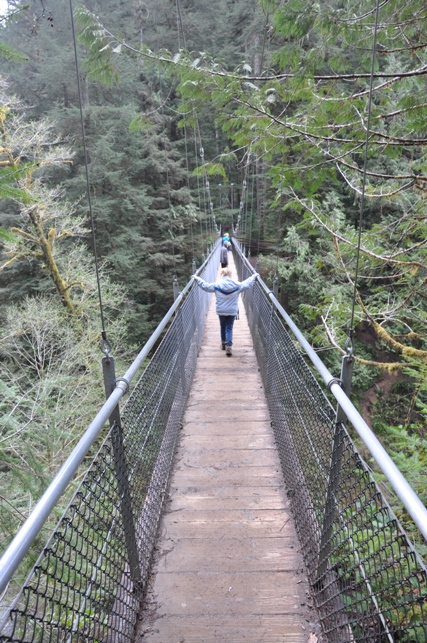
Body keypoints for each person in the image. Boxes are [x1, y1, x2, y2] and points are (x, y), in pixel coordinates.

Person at [191, 268, 258, 357]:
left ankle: (223, 343)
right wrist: (254, 276)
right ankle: (229, 346)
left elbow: (205, 286)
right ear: (230, 275)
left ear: (222, 275)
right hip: (232, 311)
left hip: (221, 310)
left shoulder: (217, 285)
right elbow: (247, 284)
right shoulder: (237, 285)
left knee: (223, 326)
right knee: (229, 328)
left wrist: (196, 278)